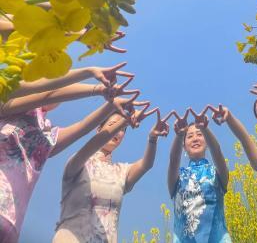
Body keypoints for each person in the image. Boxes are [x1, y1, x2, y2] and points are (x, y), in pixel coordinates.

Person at [0, 66, 141, 243]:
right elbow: (49, 93)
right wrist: (92, 79)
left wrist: (111, 104)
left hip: (12, 226)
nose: (55, 87)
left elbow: (83, 127)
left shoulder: (47, 137)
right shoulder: (7, 104)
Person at [53, 107, 169, 242]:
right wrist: (125, 121)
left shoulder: (121, 171)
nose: (118, 131)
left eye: (122, 130)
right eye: (113, 125)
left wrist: (153, 138)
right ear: (98, 129)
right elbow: (89, 147)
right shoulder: (79, 162)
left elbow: (146, 164)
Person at [167, 108, 231, 242]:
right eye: (189, 136)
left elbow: (217, 152)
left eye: (200, 134)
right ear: (184, 146)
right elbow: (173, 160)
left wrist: (205, 128)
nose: (195, 138)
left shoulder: (216, 173)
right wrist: (179, 134)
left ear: (207, 141)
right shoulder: (179, 177)